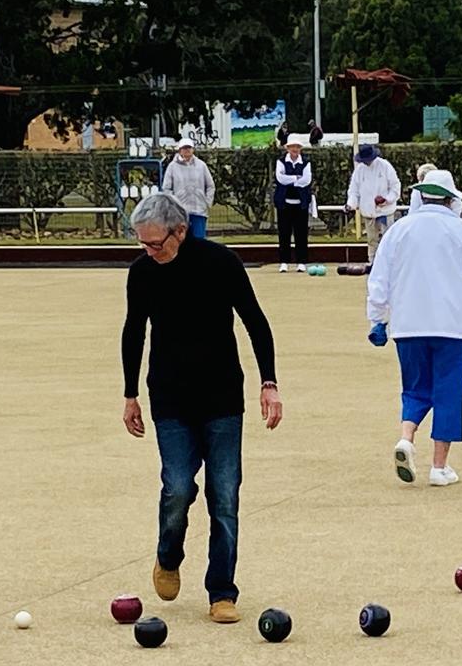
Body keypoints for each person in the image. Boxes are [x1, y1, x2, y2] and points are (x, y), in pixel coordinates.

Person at [121, 193, 283, 624]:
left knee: (224, 497)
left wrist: (269, 383)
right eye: (142, 244)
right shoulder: (141, 273)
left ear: (180, 230)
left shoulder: (220, 262)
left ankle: (221, 591)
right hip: (170, 399)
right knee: (177, 488)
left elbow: (255, 321)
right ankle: (168, 556)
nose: (149, 252)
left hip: (223, 398)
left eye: (155, 243)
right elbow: (133, 331)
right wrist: (129, 393)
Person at [366, 170, 462, 487]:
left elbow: (379, 280)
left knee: (414, 387)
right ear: (451, 199)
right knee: (448, 390)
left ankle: (406, 438)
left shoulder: (398, 231)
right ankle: (439, 466)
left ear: (420, 197)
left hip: (408, 325)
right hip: (453, 326)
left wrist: (378, 319)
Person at [345, 143, 401, 262]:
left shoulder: (385, 166)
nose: (366, 162)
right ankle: (372, 262)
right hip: (368, 212)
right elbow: (354, 191)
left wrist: (387, 199)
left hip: (385, 212)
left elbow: (395, 187)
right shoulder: (359, 170)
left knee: (387, 239)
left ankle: (389, 263)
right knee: (371, 240)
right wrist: (350, 205)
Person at [161, 138, 216, 240]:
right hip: (180, 213)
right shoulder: (172, 167)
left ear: (193, 149)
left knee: (199, 242)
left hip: (199, 211)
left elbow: (210, 186)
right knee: (181, 240)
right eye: (184, 148)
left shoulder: (201, 165)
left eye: (189, 148)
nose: (187, 150)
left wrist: (207, 202)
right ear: (180, 150)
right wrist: (174, 206)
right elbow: (167, 188)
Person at [273, 135, 313, 273]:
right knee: (284, 233)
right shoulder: (281, 161)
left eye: (297, 147)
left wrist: (291, 180)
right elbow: (280, 179)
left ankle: (301, 262)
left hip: (300, 204)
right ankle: (284, 262)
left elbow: (306, 180)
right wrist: (296, 178)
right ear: (288, 148)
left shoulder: (306, 163)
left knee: (301, 233)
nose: (295, 149)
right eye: (292, 147)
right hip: (284, 204)